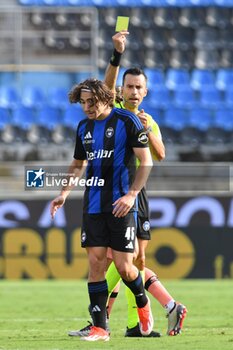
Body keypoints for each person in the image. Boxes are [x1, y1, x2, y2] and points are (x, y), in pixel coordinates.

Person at [69, 31, 187, 338]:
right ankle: (123, 319)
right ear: (121, 90)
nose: (133, 92)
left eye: (139, 88)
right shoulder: (112, 110)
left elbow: (159, 156)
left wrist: (152, 131)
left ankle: (134, 321)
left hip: (134, 192)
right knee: (117, 260)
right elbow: (104, 88)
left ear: (145, 93)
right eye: (129, 87)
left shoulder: (145, 120)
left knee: (132, 260)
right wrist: (116, 54)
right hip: (104, 194)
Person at [50, 78, 154, 342]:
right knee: (95, 263)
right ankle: (100, 328)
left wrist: (131, 195)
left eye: (91, 101)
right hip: (93, 204)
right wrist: (63, 193)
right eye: (83, 103)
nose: (87, 107)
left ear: (106, 98)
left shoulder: (126, 121)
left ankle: (142, 302)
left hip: (121, 204)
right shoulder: (83, 127)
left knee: (124, 268)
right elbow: (77, 164)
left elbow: (146, 161)